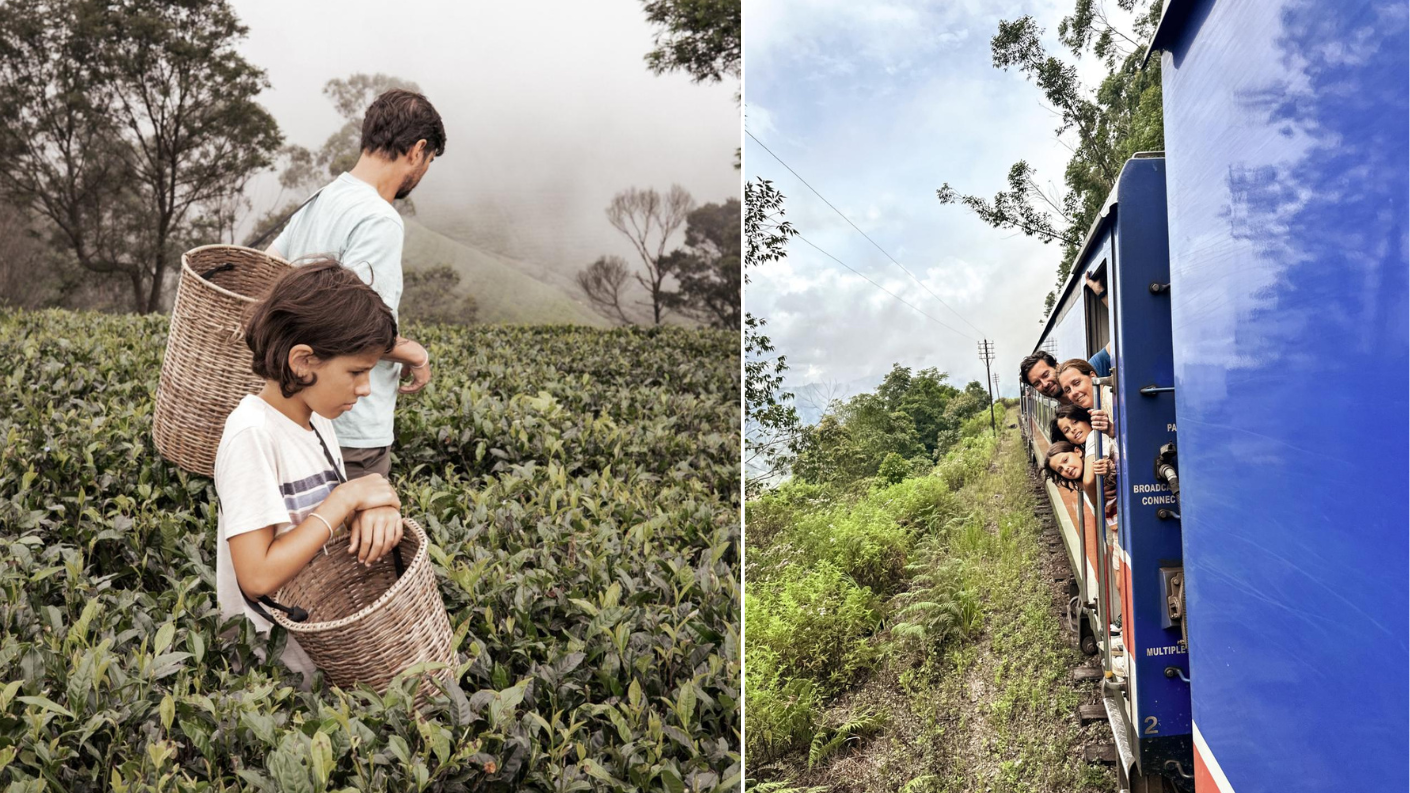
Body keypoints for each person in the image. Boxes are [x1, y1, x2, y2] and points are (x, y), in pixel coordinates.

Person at [214, 261, 407, 679]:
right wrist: (345, 499)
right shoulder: (252, 434)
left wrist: (372, 508)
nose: (365, 388)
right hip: (272, 674)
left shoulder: (316, 419)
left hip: (320, 652)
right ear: (303, 361)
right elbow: (257, 577)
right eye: (356, 372)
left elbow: (318, 520)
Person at [267, 88, 447, 480]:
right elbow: (360, 329)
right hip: (351, 428)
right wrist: (415, 355)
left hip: (297, 408)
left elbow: (266, 274)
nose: (423, 171)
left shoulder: (319, 200)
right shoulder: (378, 219)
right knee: (358, 520)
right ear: (417, 150)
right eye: (429, 161)